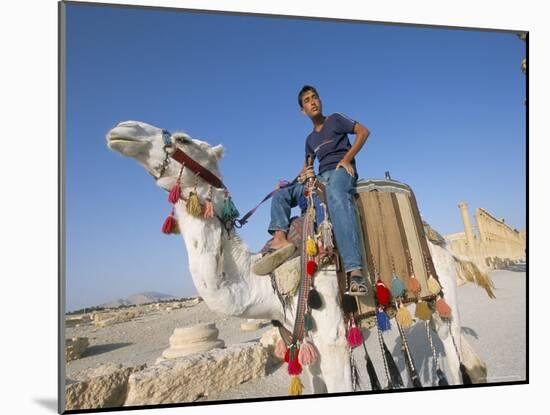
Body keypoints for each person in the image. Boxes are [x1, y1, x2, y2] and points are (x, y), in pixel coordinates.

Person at [253, 85, 370, 295]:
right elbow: (307, 166)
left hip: (340, 172)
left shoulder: (335, 119)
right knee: (281, 193)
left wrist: (346, 159)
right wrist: (291, 182)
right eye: (307, 100)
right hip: (320, 177)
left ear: (320, 100)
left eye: (315, 97)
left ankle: (355, 272)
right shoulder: (309, 140)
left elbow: (363, 131)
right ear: (302, 110)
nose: (312, 102)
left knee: (335, 195)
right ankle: (280, 240)